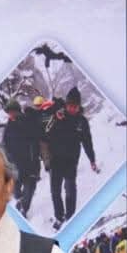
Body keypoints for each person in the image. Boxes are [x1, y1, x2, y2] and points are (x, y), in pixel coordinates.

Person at [43, 86, 97, 229]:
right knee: (55, 191)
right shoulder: (58, 115)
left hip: (71, 161)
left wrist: (92, 159)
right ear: (66, 105)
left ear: (79, 106)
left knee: (70, 189)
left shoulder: (82, 122)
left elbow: (87, 142)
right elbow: (45, 131)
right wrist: (55, 117)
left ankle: (71, 217)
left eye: (75, 106)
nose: (72, 108)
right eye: (70, 105)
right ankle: (59, 217)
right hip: (55, 160)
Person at [1, 99, 42, 214]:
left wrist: (35, 160)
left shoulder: (27, 122)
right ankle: (20, 201)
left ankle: (24, 209)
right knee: (16, 190)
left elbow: (35, 142)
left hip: (29, 162)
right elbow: (4, 145)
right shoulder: (8, 126)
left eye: (12, 111)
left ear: (18, 111)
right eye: (9, 112)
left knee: (30, 186)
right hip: (14, 164)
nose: (11, 114)